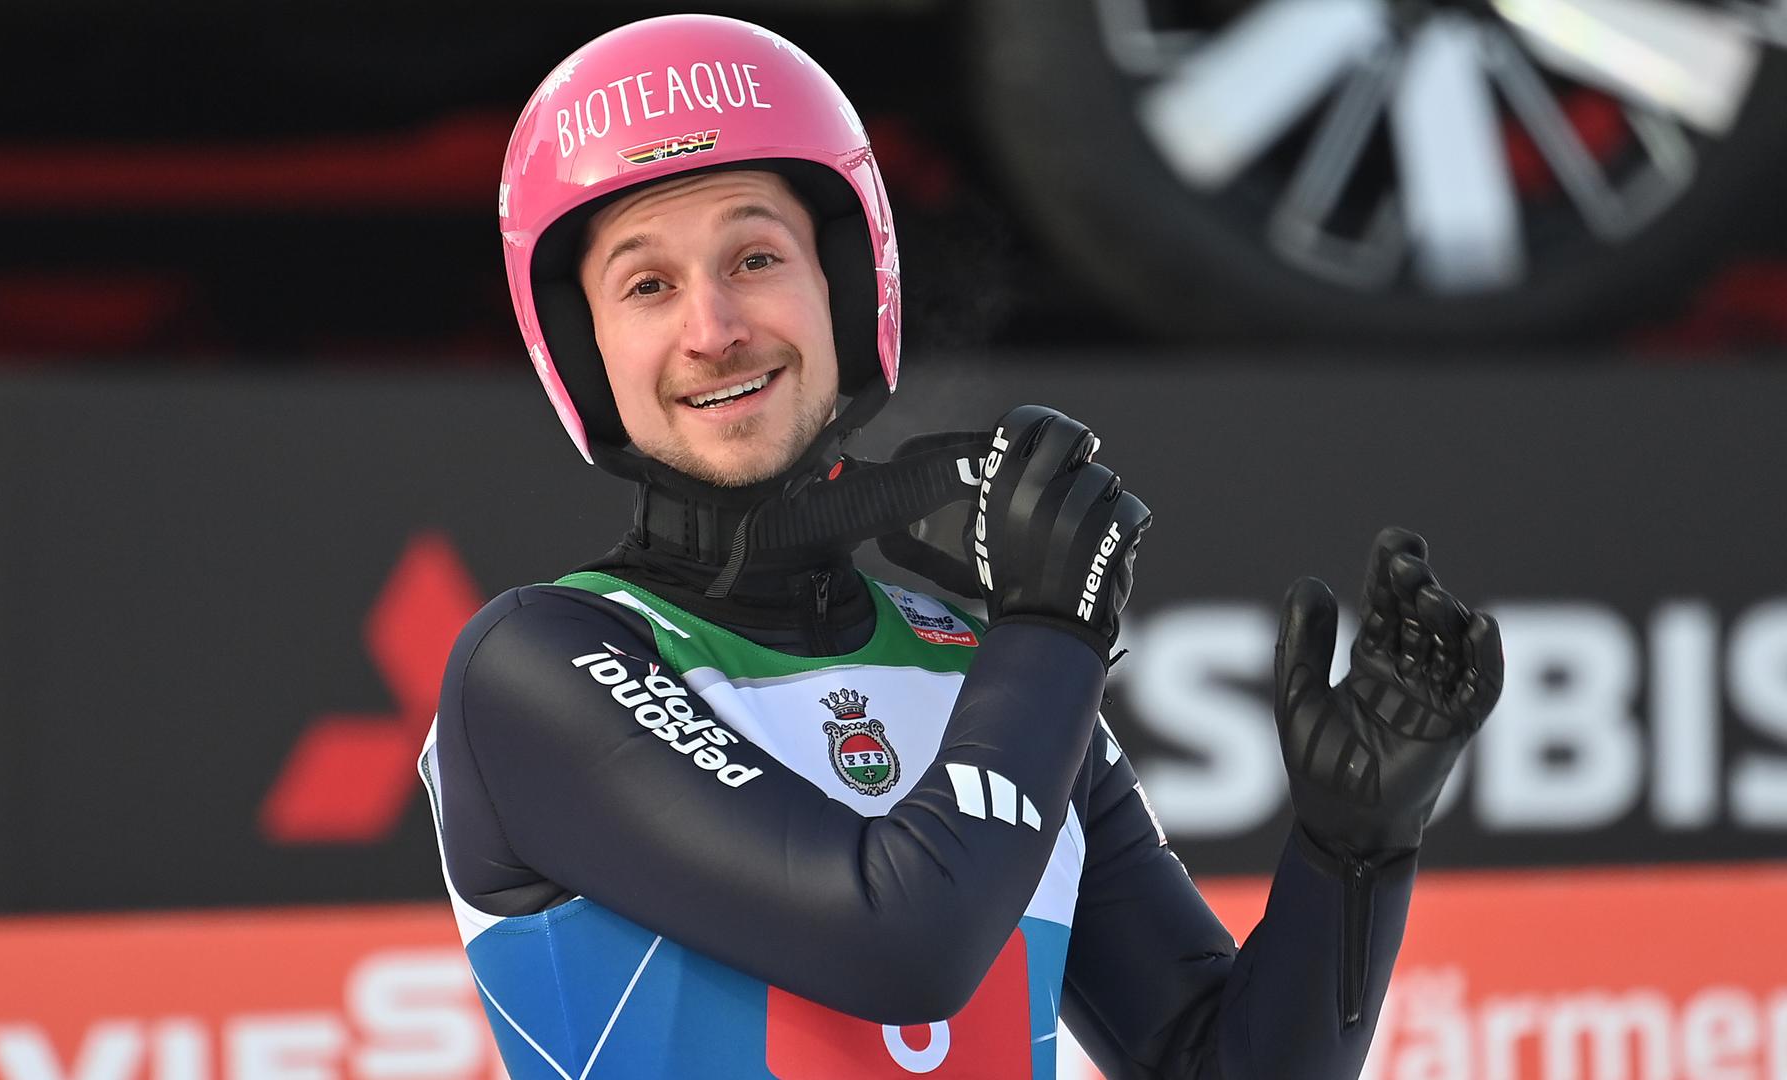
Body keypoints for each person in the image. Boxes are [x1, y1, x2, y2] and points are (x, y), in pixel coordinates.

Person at [419, 14, 1504, 1078]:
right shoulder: (531, 663)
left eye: (755, 257)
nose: (713, 328)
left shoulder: (978, 665)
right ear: (584, 351)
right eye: (647, 285)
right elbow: (903, 946)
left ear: (847, 292)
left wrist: (1354, 851)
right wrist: (1045, 633)